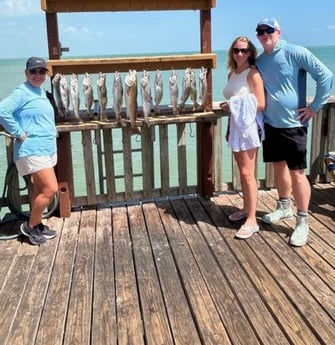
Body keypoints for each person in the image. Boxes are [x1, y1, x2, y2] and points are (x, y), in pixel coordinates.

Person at [255, 18, 333, 246]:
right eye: (260, 31)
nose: (264, 34)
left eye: (269, 30)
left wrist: (315, 106)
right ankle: (284, 206)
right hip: (271, 124)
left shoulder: (295, 52)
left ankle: (302, 220)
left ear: (278, 31)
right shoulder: (259, 61)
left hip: (294, 125)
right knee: (278, 167)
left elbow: (326, 76)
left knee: (297, 173)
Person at [0, 57, 59, 245]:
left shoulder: (40, 92)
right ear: (26, 73)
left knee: (40, 189)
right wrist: (18, 132)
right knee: (51, 189)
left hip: (46, 148)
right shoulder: (22, 92)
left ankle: (38, 224)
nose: (38, 75)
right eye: (33, 71)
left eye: (42, 71)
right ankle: (30, 227)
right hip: (32, 149)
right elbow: (2, 111)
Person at [220, 37, 265, 239]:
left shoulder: (253, 74)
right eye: (236, 50)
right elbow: (235, 99)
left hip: (248, 129)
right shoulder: (232, 74)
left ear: (250, 53)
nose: (239, 54)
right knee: (242, 172)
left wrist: (234, 105)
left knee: (248, 174)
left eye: (244, 51)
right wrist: (229, 106)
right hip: (235, 127)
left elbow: (261, 104)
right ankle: (247, 209)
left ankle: (253, 220)